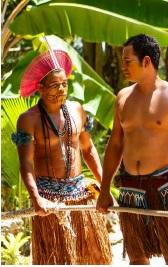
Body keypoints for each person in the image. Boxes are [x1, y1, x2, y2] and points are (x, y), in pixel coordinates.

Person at [96, 34, 168, 265]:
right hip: (130, 185)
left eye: (128, 61)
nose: (123, 66)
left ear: (146, 61)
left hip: (166, 185)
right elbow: (115, 145)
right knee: (136, 256)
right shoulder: (122, 97)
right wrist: (104, 190)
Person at [13, 46, 112, 264]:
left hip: (80, 193)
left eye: (65, 84)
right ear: (40, 88)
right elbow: (26, 162)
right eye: (55, 85)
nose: (61, 89)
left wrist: (104, 187)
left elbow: (88, 149)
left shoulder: (77, 110)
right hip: (49, 199)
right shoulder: (28, 120)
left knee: (93, 257)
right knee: (57, 259)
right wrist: (36, 198)